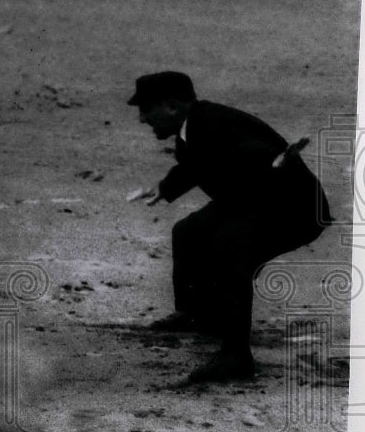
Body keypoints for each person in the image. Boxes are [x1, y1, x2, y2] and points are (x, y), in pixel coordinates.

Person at [128, 72, 330, 383]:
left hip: (294, 208)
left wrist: (275, 165)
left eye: (146, 109)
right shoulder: (193, 128)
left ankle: (236, 356)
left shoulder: (212, 124)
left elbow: (262, 159)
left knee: (228, 246)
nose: (142, 118)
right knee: (188, 232)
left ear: (171, 106)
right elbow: (193, 165)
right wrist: (165, 188)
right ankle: (197, 314)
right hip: (255, 199)